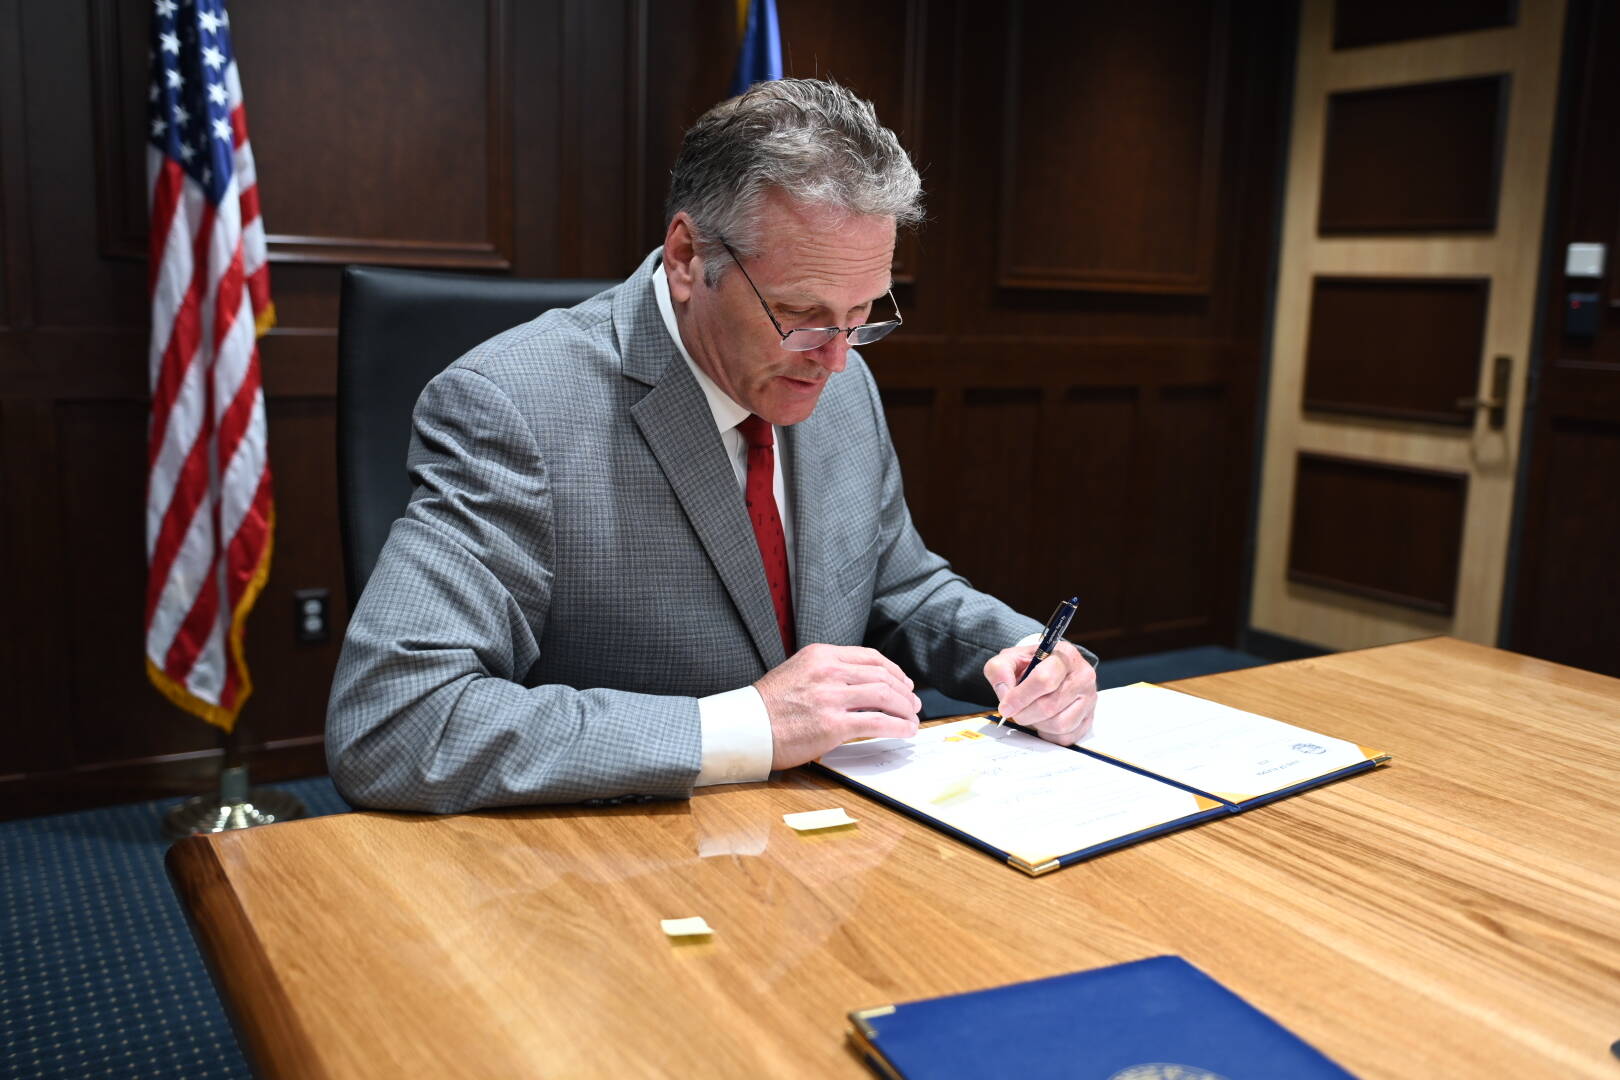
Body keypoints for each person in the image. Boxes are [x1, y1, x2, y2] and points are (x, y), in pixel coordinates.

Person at [326, 78, 1097, 812]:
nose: (836, 357)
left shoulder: (839, 376)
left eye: (863, 314)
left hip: (836, 842)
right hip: (618, 866)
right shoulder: (514, 408)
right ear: (690, 259)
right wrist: (747, 727)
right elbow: (395, 721)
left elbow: (899, 586)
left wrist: (1025, 653)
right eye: (801, 313)